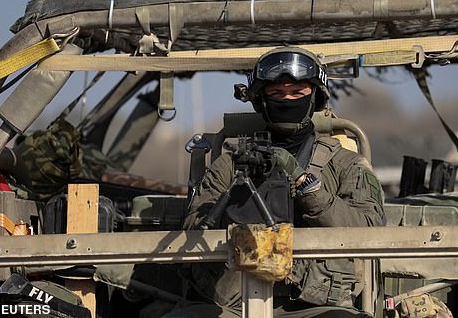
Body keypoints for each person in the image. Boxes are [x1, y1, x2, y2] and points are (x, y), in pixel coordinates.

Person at [163, 47, 386, 318]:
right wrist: (233, 207)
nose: (287, 100)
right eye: (277, 93)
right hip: (234, 304)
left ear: (314, 97)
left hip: (315, 307)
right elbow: (193, 225)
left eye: (297, 92)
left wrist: (309, 189)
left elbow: (371, 228)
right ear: (261, 100)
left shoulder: (344, 163)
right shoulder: (231, 163)